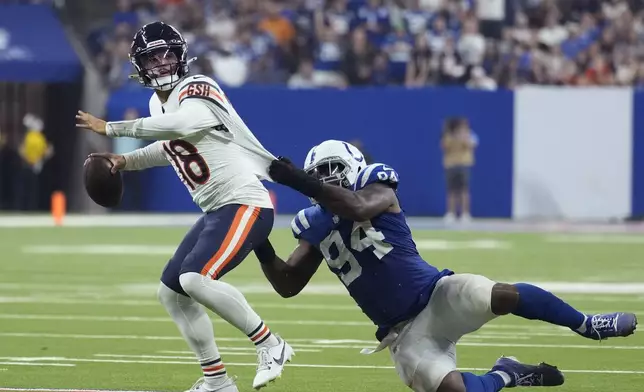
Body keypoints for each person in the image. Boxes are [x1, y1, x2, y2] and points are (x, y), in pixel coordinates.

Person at [252, 139, 637, 392]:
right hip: (402, 335)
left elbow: (356, 208)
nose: (323, 178)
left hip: (437, 295)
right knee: (453, 390)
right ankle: (508, 373)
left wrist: (303, 182)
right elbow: (287, 283)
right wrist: (258, 238)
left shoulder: (376, 187)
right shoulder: (315, 223)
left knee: (502, 295)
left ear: (353, 165)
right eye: (316, 173)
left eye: (330, 168)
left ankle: (586, 324)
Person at [75, 21, 293, 392]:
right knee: (172, 292)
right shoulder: (153, 104)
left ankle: (271, 344)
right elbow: (170, 148)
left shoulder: (198, 88)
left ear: (181, 57)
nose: (160, 63)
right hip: (217, 209)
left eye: (167, 54)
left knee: (195, 279)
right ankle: (217, 381)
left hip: (245, 203)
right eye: (152, 57)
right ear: (139, 65)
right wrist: (125, 161)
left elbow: (186, 124)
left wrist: (112, 129)